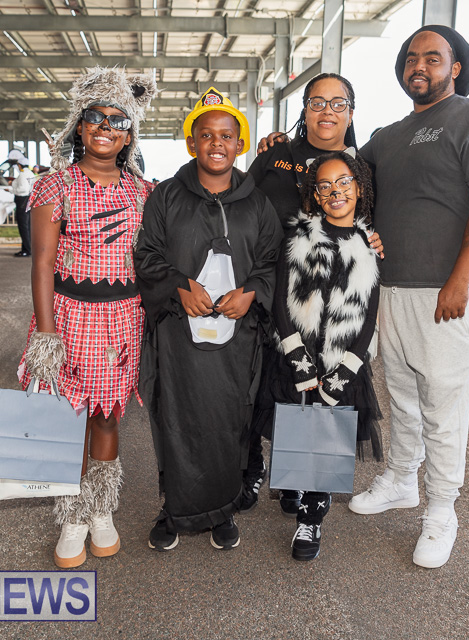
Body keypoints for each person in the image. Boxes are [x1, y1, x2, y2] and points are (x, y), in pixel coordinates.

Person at [348, 25, 469, 569]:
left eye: (433, 58)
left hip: (449, 292)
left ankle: (442, 510)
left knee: (444, 405)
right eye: (412, 58)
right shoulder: (388, 135)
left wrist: (460, 278)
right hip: (392, 288)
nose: (420, 66)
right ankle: (400, 479)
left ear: (456, 66)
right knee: (402, 394)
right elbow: (340, 172)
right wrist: (286, 147)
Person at [17, 66, 157, 568]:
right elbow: (42, 264)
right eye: (95, 117)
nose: (105, 126)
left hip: (122, 318)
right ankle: (73, 516)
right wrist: (46, 335)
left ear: (129, 134)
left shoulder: (146, 193)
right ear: (79, 126)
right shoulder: (55, 186)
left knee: (106, 416)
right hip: (68, 317)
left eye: (118, 120)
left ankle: (101, 511)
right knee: (66, 418)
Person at [135, 87, 282, 552]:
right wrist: (179, 283)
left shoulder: (258, 204)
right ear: (191, 143)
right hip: (179, 334)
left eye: (226, 135)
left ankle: (222, 509)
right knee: (177, 419)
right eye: (205, 135)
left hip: (238, 338)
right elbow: (147, 255)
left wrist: (253, 292)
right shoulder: (165, 197)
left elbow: (272, 260)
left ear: (239, 144)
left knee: (227, 421)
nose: (216, 143)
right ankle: (175, 510)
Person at [244, 72, 384, 517]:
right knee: (256, 390)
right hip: (260, 287)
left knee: (306, 388)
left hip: (319, 304)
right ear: (303, 109)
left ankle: (302, 485)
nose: (327, 111)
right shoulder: (274, 155)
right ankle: (252, 470)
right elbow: (240, 202)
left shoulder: (360, 167)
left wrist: (374, 242)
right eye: (317, 102)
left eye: (338, 103)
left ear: (351, 111)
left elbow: (364, 229)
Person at [268, 150, 382, 561]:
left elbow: (368, 317)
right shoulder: (298, 239)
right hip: (298, 356)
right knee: (297, 419)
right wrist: (296, 355)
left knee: (327, 434)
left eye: (344, 183)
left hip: (342, 362)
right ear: (315, 194)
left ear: (359, 188)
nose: (336, 192)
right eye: (325, 185)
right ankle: (294, 483)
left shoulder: (369, 246)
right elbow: (281, 301)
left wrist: (345, 372)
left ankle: (311, 516)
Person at [10, 149, 35, 257]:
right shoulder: (30, 173)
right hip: (28, 200)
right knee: (28, 226)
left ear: (19, 165)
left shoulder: (22, 175)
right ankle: (28, 248)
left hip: (22, 200)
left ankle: (27, 250)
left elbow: (23, 189)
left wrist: (12, 189)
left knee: (23, 226)